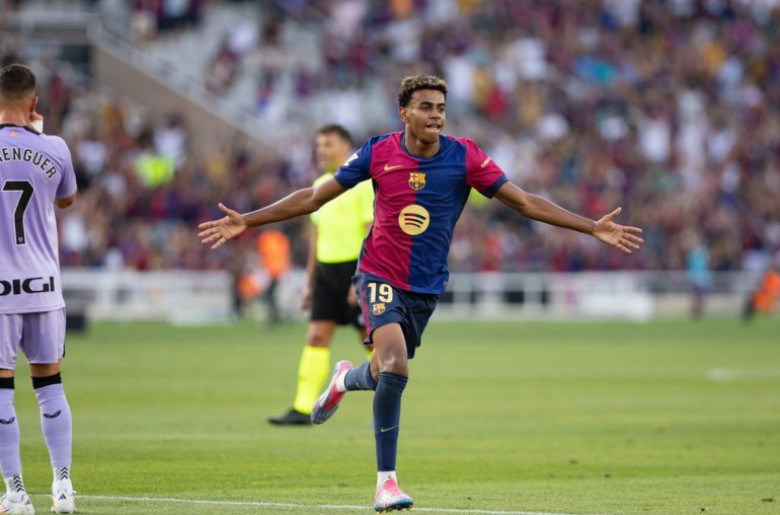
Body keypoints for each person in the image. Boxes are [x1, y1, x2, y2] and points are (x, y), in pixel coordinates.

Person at [198, 75, 643, 512]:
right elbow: (314, 197)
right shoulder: (378, 151)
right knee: (396, 363)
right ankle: (386, 485)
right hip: (377, 273)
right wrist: (248, 220)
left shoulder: (465, 156)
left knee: (381, 373)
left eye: (441, 109)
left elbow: (524, 202)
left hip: (425, 287)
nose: (436, 116)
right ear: (404, 113)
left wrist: (591, 227)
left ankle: (343, 380)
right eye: (426, 107)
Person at [0, 64, 77, 514]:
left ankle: (15, 492)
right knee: (50, 387)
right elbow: (65, 199)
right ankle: (63, 488)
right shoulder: (55, 147)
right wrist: (39, 135)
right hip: (44, 287)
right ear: (33, 104)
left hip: (0, 292)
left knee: (1, 393)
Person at [269, 124, 374, 426]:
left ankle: (385, 406)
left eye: (327, 145)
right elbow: (316, 236)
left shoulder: (362, 184)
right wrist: (309, 282)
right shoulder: (319, 185)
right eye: (318, 146)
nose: (321, 151)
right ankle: (302, 408)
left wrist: (362, 277)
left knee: (373, 344)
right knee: (316, 336)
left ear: (345, 147)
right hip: (327, 273)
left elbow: (371, 233)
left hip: (356, 271)